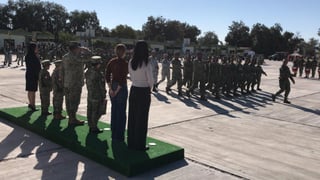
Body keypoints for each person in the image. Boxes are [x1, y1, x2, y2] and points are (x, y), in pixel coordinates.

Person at [127, 40, 153, 151]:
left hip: (134, 89)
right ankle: (140, 144)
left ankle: (131, 142)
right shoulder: (146, 63)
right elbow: (151, 80)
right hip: (144, 91)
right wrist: (149, 90)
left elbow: (131, 77)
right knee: (142, 119)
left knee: (132, 117)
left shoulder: (131, 61)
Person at [62, 41, 91, 126]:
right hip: (74, 83)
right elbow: (89, 57)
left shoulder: (65, 57)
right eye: (78, 48)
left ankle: (71, 118)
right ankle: (72, 119)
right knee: (74, 101)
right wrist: (86, 50)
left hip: (67, 82)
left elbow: (62, 70)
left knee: (68, 101)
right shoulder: (75, 58)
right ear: (75, 48)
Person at [105, 44, 128, 142]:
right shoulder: (125, 63)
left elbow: (107, 75)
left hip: (113, 86)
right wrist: (117, 90)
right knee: (121, 112)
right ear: (124, 52)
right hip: (120, 88)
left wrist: (110, 88)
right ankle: (119, 135)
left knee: (114, 110)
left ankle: (113, 133)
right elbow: (123, 79)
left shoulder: (112, 61)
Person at [85, 56, 107, 134]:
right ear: (98, 64)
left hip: (90, 94)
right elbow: (101, 86)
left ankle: (91, 125)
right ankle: (94, 127)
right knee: (96, 111)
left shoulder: (88, 71)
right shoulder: (98, 74)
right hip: (97, 95)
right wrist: (104, 94)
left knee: (90, 110)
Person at [25, 42, 41, 111]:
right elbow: (36, 67)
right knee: (33, 91)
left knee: (29, 90)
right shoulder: (33, 56)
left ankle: (30, 103)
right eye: (36, 47)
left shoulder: (28, 55)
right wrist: (38, 76)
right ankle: (33, 105)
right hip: (33, 75)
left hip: (29, 74)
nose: (37, 49)